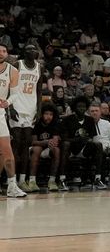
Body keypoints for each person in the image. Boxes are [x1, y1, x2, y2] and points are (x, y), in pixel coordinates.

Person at [8, 44, 43, 191]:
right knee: (16, 144)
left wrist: (39, 110)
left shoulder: (39, 67)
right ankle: (12, 181)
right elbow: (7, 86)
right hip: (16, 106)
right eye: (28, 49)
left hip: (31, 108)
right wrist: (10, 107)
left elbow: (39, 90)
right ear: (24, 52)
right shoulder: (17, 64)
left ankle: (23, 180)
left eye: (34, 49)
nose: (31, 51)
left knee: (26, 145)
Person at [0, 43, 26, 197]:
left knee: (7, 152)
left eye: (4, 51)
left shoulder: (12, 70)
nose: (1, 53)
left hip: (0, 113)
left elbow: (15, 93)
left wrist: (7, 102)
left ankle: (12, 186)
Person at [28, 104, 62, 192]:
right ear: (42, 114)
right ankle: (32, 181)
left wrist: (54, 141)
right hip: (34, 148)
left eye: (51, 114)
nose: (49, 116)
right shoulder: (37, 124)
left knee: (57, 150)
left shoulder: (55, 124)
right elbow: (33, 142)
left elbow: (55, 139)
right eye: (46, 114)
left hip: (46, 149)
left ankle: (52, 181)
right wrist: (46, 142)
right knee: (37, 148)